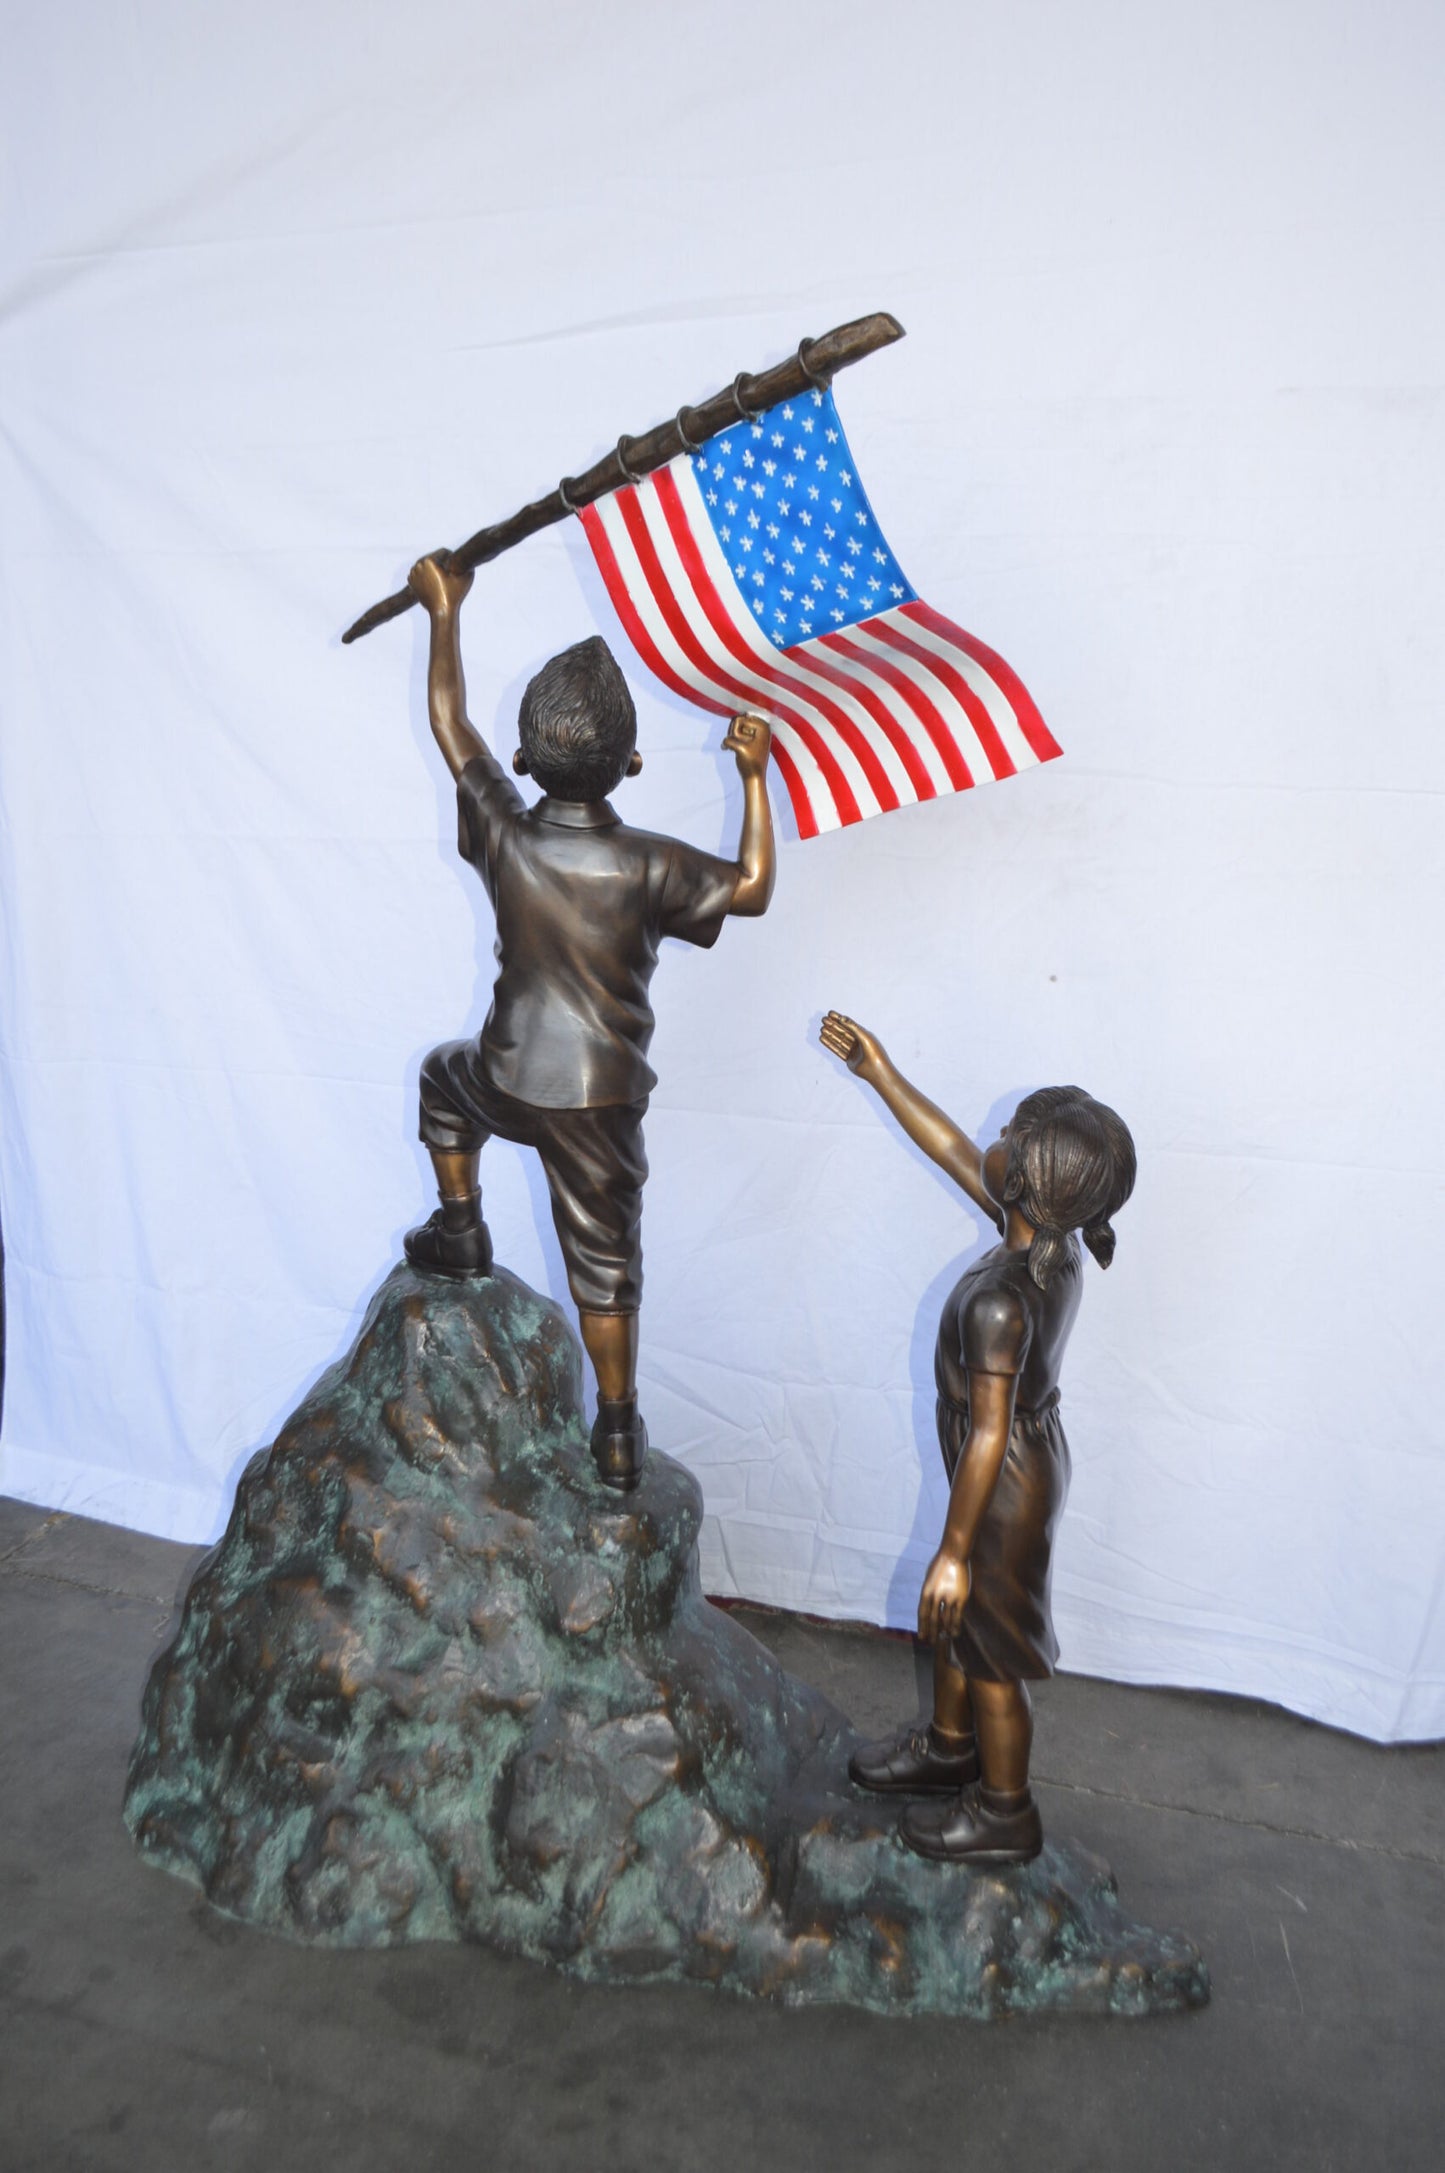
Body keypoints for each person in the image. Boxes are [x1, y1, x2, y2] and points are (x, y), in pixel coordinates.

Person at [405, 551, 775, 1491]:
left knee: (440, 1085)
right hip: (601, 1100)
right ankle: (616, 1427)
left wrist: (445, 610)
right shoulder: (650, 863)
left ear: (523, 759)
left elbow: (448, 723)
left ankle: (461, 1227)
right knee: (606, 1262)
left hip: (506, 1077)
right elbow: (752, 888)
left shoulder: (506, 832)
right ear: (633, 763)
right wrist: (755, 776)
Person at [818, 1012, 1136, 1864]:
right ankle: (946, 1746)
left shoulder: (1001, 1298)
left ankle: (1005, 1809)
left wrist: (956, 1547)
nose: (989, 1140)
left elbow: (990, 1432)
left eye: (1008, 1137)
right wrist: (881, 1073)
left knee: (989, 1645)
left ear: (1028, 1183)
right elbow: (956, 1152)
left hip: (1002, 1474)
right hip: (1008, 1465)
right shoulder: (1047, 1246)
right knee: (956, 1625)